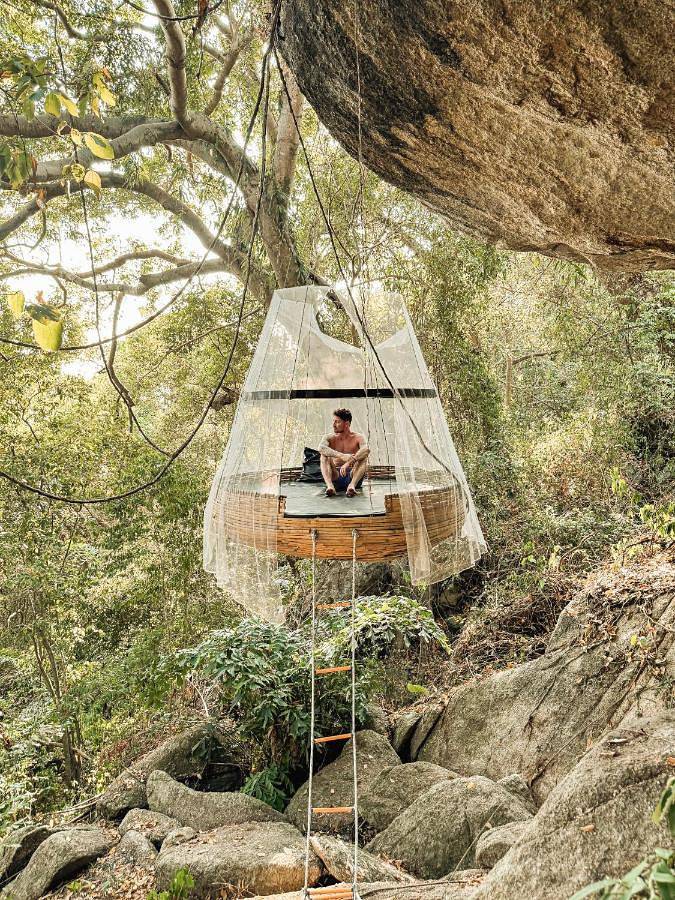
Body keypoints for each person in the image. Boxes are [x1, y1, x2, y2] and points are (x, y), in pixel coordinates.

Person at [319, 408, 370, 497]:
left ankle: (351, 486)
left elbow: (366, 450)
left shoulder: (358, 437)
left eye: (337, 422)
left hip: (353, 475)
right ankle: (330, 487)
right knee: (324, 455)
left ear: (347, 424)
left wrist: (349, 462)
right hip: (335, 475)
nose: (333, 425)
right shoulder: (329, 437)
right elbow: (321, 448)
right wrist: (342, 456)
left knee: (364, 457)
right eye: (333, 421)